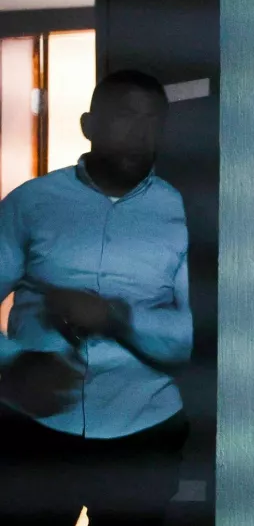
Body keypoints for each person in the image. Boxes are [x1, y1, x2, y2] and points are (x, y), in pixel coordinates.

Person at [0, 70, 192, 526]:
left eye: (154, 121)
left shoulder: (183, 214)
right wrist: (12, 364)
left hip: (143, 433)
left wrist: (113, 317)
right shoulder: (31, 203)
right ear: (89, 125)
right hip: (35, 430)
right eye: (126, 116)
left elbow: (186, 338)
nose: (142, 133)